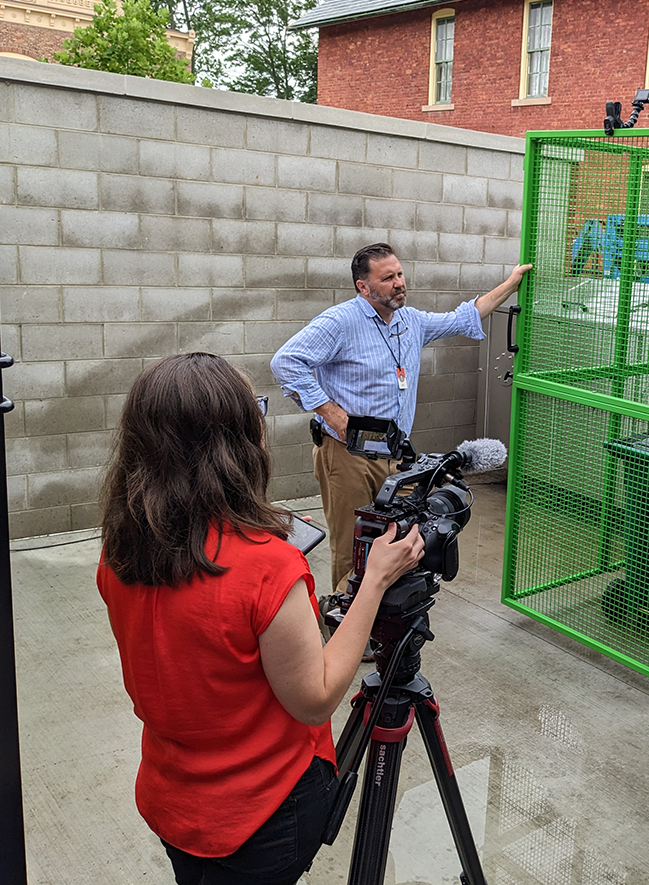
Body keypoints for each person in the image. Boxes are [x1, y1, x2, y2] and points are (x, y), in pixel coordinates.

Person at [96, 352, 425, 884]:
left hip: (171, 798)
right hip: (263, 813)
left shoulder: (123, 547)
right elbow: (314, 699)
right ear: (236, 444)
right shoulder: (266, 566)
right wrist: (375, 582)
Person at [271, 243, 531, 595]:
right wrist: (332, 413)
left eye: (400, 274)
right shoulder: (340, 321)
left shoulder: (411, 321)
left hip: (396, 455)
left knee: (401, 535)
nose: (399, 283)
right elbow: (286, 362)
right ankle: (346, 634)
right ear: (363, 286)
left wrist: (511, 284)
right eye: (388, 277)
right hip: (348, 455)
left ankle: (385, 619)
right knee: (354, 545)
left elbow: (463, 317)